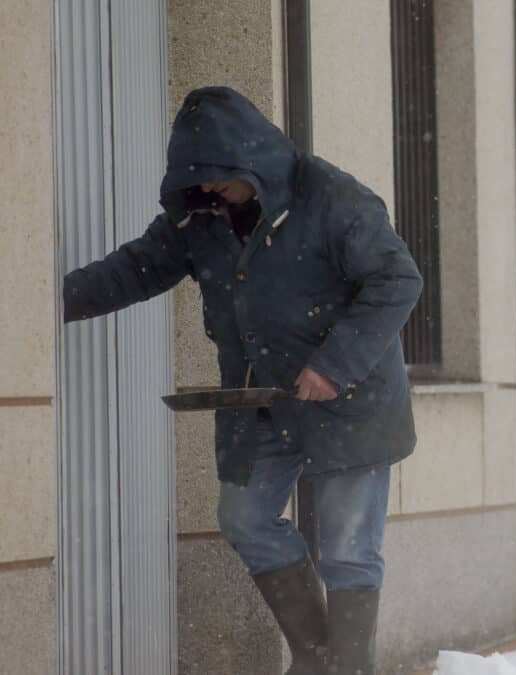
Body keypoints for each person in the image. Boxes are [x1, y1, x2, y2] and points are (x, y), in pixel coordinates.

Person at [63, 86, 423, 675]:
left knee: (349, 551)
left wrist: (333, 366)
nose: (207, 189)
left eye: (216, 175)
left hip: (351, 398)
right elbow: (134, 269)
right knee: (244, 517)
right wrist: (44, 303)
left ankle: (347, 668)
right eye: (196, 178)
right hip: (264, 401)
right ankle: (316, 654)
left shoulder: (332, 198)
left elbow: (397, 281)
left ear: (249, 158)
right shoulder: (200, 217)